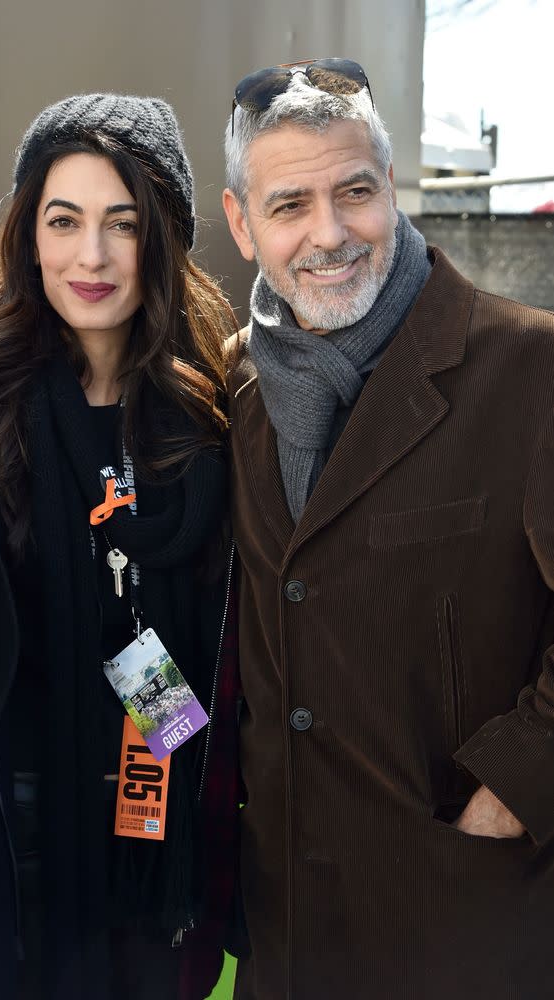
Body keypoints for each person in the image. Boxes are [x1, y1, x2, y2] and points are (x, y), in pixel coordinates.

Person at [0, 92, 239, 1000]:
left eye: (124, 223)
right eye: (64, 219)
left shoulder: (221, 416)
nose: (92, 255)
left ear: (164, 239)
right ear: (26, 234)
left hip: (155, 828)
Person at [221, 57, 554, 999]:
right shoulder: (238, 391)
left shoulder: (530, 369)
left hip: (467, 922)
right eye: (289, 205)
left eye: (354, 192)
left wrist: (506, 799)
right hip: (288, 930)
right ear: (242, 224)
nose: (328, 234)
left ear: (391, 190)